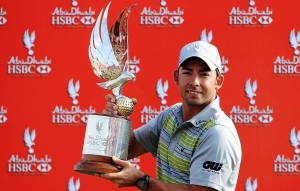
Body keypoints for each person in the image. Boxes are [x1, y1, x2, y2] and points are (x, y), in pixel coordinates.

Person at [99, 40, 242, 191]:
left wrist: (142, 181)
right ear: (176, 77)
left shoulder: (218, 133)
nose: (195, 82)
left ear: (218, 81)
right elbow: (129, 149)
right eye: (187, 73)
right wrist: (118, 120)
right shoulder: (171, 115)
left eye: (204, 74)